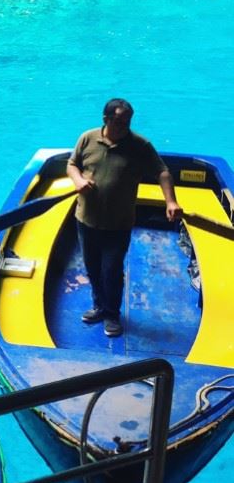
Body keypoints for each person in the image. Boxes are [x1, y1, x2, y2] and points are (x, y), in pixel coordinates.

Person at [66, 99, 182, 338]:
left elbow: (162, 172)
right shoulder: (87, 138)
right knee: (93, 267)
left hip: (118, 224)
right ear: (106, 119)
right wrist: (78, 181)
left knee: (112, 269)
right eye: (119, 122)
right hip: (86, 219)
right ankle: (99, 305)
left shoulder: (139, 146)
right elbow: (72, 164)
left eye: (127, 122)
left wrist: (171, 201)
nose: (124, 126)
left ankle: (111, 313)